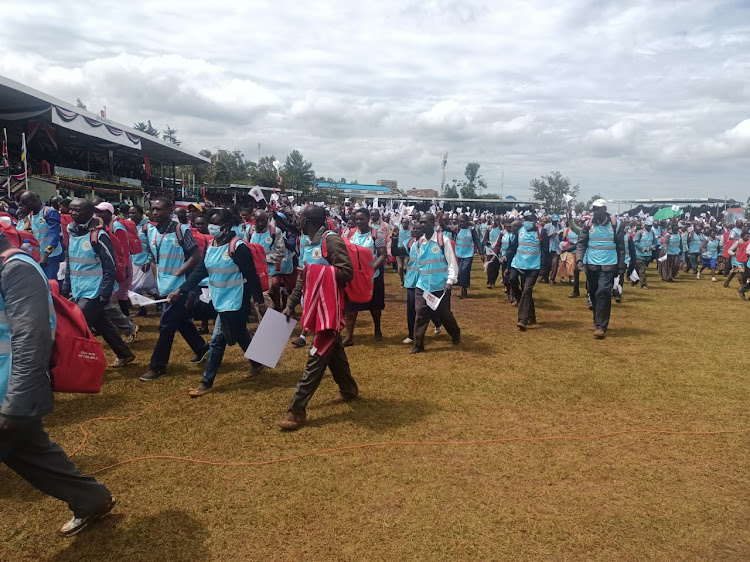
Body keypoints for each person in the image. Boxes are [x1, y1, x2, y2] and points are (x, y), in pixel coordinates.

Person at [0, 230, 116, 537]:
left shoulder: (16, 269)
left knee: (25, 448)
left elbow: (31, 337)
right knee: (28, 451)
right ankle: (91, 499)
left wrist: (18, 401)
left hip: (8, 387)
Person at [168, 209, 267, 397]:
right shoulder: (211, 244)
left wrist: (260, 302)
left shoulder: (238, 247)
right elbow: (201, 271)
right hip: (220, 299)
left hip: (236, 301)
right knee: (239, 333)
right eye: (210, 222)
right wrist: (181, 290)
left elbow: (251, 276)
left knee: (216, 342)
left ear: (226, 227)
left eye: (214, 224)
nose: (211, 227)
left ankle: (206, 382)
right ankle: (257, 362)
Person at [279, 205, 359, 430]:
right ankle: (348, 389)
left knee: (316, 356)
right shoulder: (309, 243)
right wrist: (291, 304)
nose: (297, 222)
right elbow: (304, 278)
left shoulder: (331, 241)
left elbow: (346, 272)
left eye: (300, 218)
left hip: (330, 310)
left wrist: (317, 273)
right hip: (314, 309)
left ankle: (296, 410)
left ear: (307, 220)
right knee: (333, 352)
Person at [140, 197, 208, 381]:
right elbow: (154, 258)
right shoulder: (152, 231)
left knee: (166, 325)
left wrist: (180, 271)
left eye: (159, 209)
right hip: (163, 285)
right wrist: (156, 279)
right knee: (181, 321)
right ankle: (202, 348)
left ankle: (157, 366)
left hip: (180, 286)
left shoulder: (181, 230)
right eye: (153, 209)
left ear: (170, 210)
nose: (155, 212)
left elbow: (195, 256)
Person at [63, 199, 135, 366]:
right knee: (102, 324)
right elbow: (70, 262)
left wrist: (105, 291)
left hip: (94, 290)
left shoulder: (99, 236)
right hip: (79, 288)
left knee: (79, 324)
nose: (73, 213)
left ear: (89, 213)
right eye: (71, 210)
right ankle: (124, 354)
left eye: (78, 210)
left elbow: (110, 266)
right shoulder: (72, 232)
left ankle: (79, 363)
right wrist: (66, 286)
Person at [411, 212, 461, 353]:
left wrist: (450, 280)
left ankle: (455, 333)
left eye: (425, 222)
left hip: (440, 286)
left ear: (434, 224)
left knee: (444, 314)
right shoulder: (418, 243)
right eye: (421, 222)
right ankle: (418, 344)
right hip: (423, 286)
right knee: (420, 313)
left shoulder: (442, 241)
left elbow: (452, 263)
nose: (422, 225)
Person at [576, 199, 625, 339]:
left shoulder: (616, 225)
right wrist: (579, 259)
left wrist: (621, 266)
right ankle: (597, 319)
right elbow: (581, 243)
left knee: (603, 292)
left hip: (609, 265)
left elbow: (621, 247)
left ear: (604, 210)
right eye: (594, 209)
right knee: (593, 292)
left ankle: (601, 326)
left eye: (598, 209)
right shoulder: (588, 224)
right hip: (591, 265)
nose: (595, 212)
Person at [94, 202, 138, 344]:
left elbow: (123, 248)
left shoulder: (117, 227)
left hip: (119, 264)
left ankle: (127, 325)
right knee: (109, 300)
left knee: (115, 298)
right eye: (98, 212)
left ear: (110, 213)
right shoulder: (103, 227)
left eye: (102, 212)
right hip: (109, 264)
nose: (99, 215)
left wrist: (123, 267)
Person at [342, 208, 387, 346]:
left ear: (368, 219)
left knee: (375, 306)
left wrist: (370, 269)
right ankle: (349, 336)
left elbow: (382, 255)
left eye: (362, 219)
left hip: (372, 276)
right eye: (357, 219)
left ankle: (377, 329)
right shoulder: (349, 234)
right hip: (354, 277)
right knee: (351, 306)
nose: (359, 221)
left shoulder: (376, 235)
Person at [17, 191, 64, 279]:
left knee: (52, 284)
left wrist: (46, 255)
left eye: (25, 203)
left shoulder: (49, 212)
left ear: (33, 200)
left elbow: (55, 237)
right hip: (39, 256)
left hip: (51, 256)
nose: (25, 206)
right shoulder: (31, 215)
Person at [246, 209, 285, 309]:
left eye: (262, 220)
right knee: (259, 299)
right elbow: (245, 248)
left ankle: (270, 318)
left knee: (263, 296)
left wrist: (264, 259)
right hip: (253, 271)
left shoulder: (275, 232)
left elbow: (280, 252)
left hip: (268, 271)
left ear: (267, 219)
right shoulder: (249, 231)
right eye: (257, 220)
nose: (259, 223)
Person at [454, 214, 482, 298]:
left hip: (468, 254)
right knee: (459, 271)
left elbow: (476, 240)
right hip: (459, 253)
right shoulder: (457, 229)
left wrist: (481, 253)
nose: (461, 223)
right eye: (460, 221)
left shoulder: (471, 229)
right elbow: (447, 228)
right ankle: (463, 287)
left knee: (464, 271)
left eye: (462, 221)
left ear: (467, 221)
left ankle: (462, 289)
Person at [634, 219, 656, 289]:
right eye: (648, 226)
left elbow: (655, 243)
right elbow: (635, 242)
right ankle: (643, 284)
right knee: (642, 269)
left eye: (650, 226)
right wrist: (642, 248)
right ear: (645, 226)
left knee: (640, 270)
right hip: (639, 254)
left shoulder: (652, 233)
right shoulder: (639, 232)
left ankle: (634, 280)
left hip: (648, 255)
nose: (649, 227)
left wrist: (652, 247)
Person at [541, 214, 561, 284]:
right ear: (551, 220)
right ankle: (544, 276)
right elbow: (543, 237)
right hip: (548, 248)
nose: (555, 222)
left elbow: (563, 236)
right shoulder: (547, 226)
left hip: (557, 248)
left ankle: (552, 278)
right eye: (554, 221)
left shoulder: (560, 226)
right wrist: (550, 235)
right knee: (547, 264)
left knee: (554, 264)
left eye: (556, 221)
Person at [484, 216, 503, 289]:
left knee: (496, 267)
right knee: (490, 266)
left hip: (498, 250)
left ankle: (493, 281)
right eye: (496, 220)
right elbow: (485, 238)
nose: (497, 222)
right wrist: (487, 241)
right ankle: (489, 282)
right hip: (490, 250)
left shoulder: (501, 229)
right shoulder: (489, 228)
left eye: (498, 220)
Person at [395, 217, 412, 286]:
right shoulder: (398, 230)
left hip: (407, 251)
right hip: (399, 251)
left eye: (406, 222)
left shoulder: (411, 231)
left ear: (408, 223)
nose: (404, 224)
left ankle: (407, 279)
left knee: (405, 267)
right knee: (400, 267)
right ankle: (402, 280)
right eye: (403, 223)